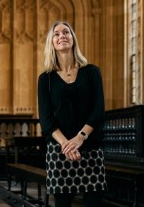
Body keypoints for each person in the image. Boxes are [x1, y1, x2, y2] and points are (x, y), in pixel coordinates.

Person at [37, 21, 107, 207]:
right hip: (60, 150)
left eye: (66, 32)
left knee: (94, 202)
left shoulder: (91, 72)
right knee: (62, 203)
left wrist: (80, 138)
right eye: (57, 34)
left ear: (73, 39)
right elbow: (46, 119)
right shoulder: (46, 79)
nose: (62, 36)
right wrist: (67, 145)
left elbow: (98, 110)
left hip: (89, 147)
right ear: (52, 42)